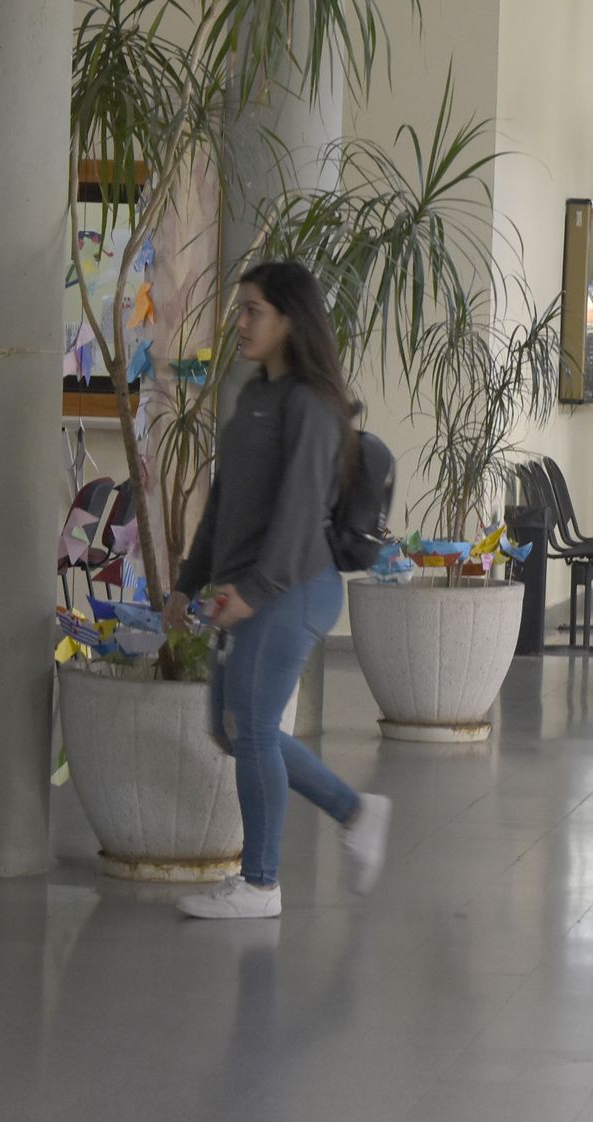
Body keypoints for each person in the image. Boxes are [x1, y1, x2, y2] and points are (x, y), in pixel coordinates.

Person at [168, 261, 391, 919]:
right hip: (250, 589)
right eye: (240, 310)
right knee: (231, 727)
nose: (239, 323)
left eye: (253, 311)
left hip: (293, 587)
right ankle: (356, 812)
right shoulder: (252, 398)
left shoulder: (311, 405)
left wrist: (256, 589)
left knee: (254, 727)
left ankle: (260, 884)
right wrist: (187, 582)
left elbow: (298, 511)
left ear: (290, 319)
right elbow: (223, 506)